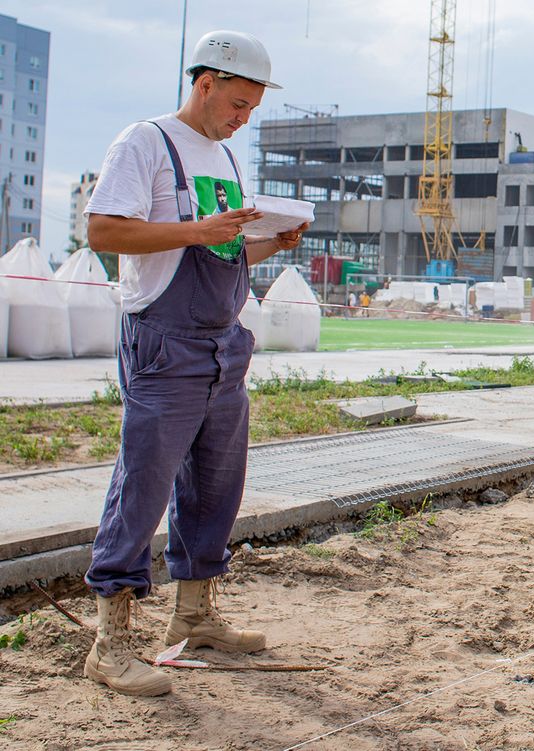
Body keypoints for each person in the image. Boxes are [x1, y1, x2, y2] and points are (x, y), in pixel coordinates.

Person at [83, 30, 307, 696]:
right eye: (238, 104)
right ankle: (110, 640)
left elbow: (217, 254)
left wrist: (269, 243)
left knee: (214, 488)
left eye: (253, 110)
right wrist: (196, 230)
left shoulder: (224, 159)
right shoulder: (144, 142)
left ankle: (195, 615)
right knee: (142, 488)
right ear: (205, 83)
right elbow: (103, 230)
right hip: (165, 344)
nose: (243, 119)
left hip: (222, 342)